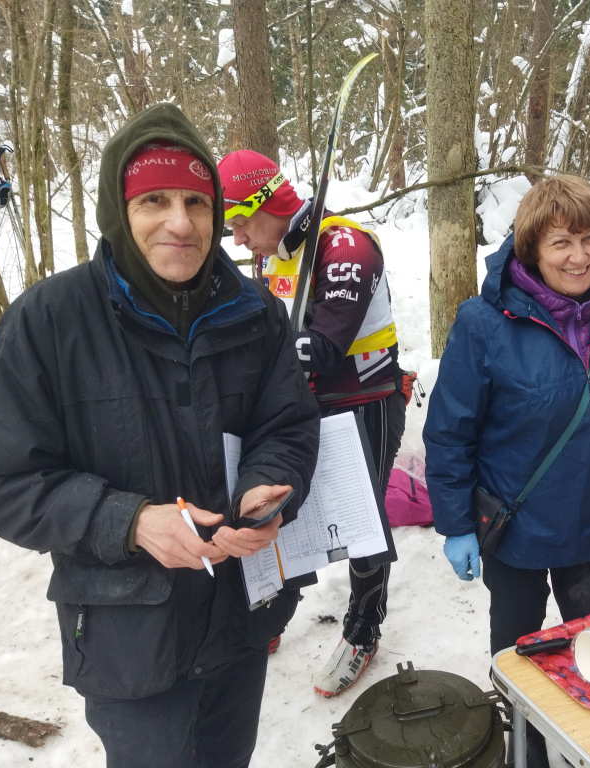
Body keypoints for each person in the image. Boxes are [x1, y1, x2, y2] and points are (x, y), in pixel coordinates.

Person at [0, 104, 321, 768]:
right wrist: (129, 521)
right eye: (155, 200)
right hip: (130, 635)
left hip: (239, 619)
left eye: (196, 202)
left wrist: (266, 490)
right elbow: (1, 479)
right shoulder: (49, 321)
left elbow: (287, 425)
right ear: (118, 211)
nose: (180, 223)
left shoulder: (256, 314)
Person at [422, 175, 590, 767]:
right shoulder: (485, 322)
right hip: (518, 528)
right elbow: (449, 431)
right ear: (531, 246)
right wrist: (456, 523)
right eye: (561, 242)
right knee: (518, 665)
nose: (578, 256)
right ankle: (524, 753)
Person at [217, 150, 406, 697]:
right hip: (301, 405)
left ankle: (363, 629)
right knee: (278, 507)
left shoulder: (345, 246)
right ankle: (273, 609)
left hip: (364, 400)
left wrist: (251, 351)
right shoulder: (272, 251)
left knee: (360, 520)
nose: (235, 239)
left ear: (266, 204)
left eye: (238, 223)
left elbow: (320, 348)